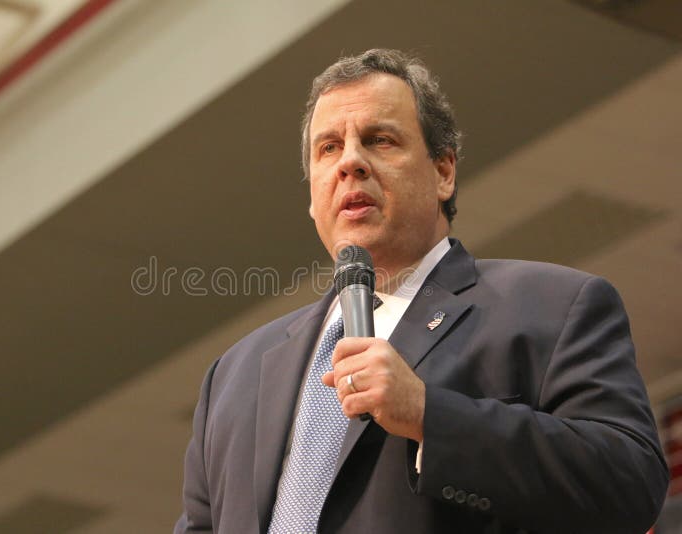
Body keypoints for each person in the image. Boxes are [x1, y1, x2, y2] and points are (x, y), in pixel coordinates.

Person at [174, 49, 668, 533]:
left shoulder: (553, 307)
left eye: (379, 140)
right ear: (312, 194)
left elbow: (629, 485)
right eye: (328, 148)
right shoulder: (233, 376)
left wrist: (430, 416)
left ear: (444, 171)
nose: (350, 162)